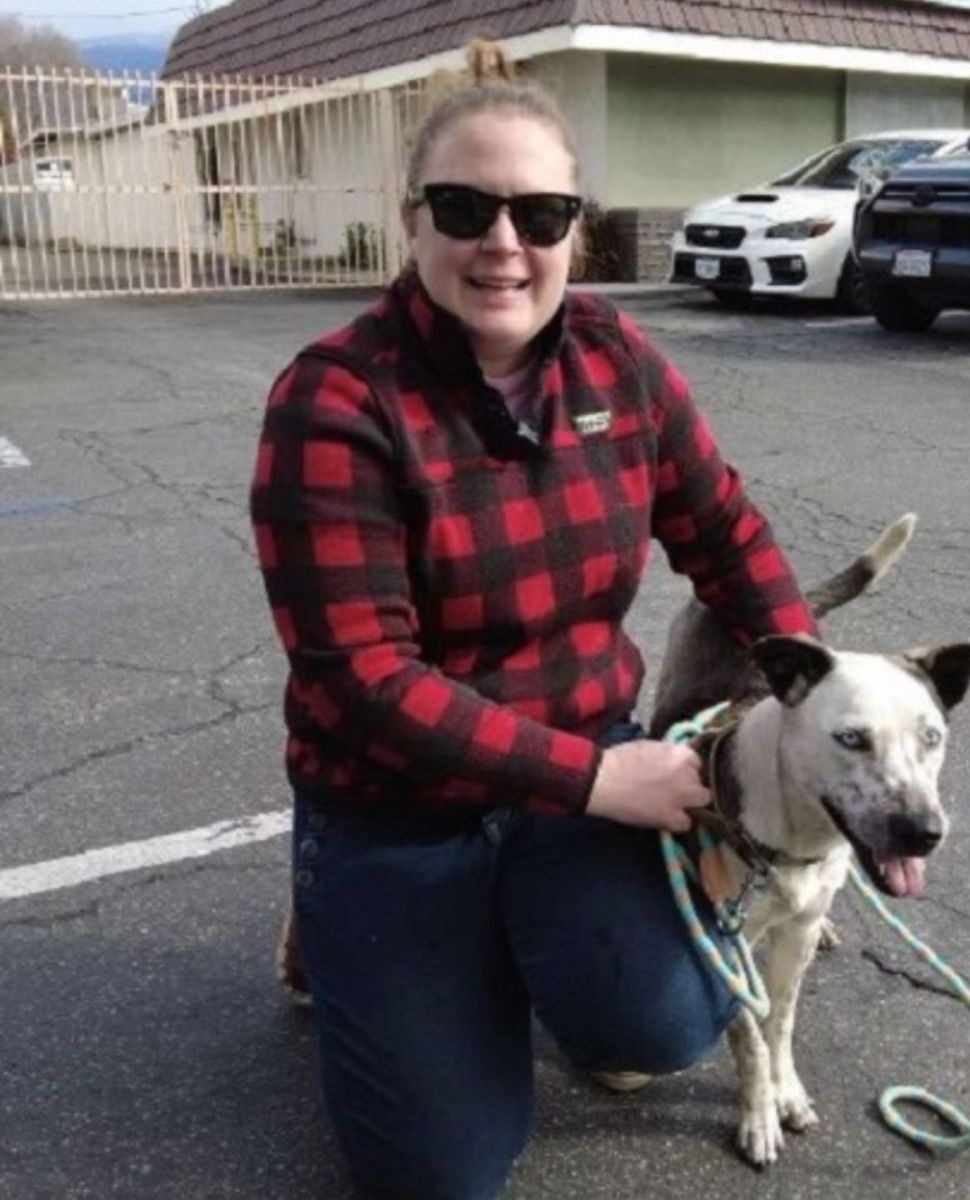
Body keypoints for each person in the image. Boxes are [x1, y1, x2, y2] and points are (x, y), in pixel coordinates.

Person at [249, 41, 818, 1200]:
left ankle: (505, 938)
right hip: (396, 805)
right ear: (411, 220)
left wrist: (813, 689)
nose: (504, 243)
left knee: (659, 1031)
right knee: (441, 1175)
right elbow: (364, 677)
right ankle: (343, 911)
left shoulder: (619, 358)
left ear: (575, 228)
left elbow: (725, 535)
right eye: (466, 207)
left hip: (571, 773)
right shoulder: (336, 399)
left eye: (542, 212)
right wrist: (604, 784)